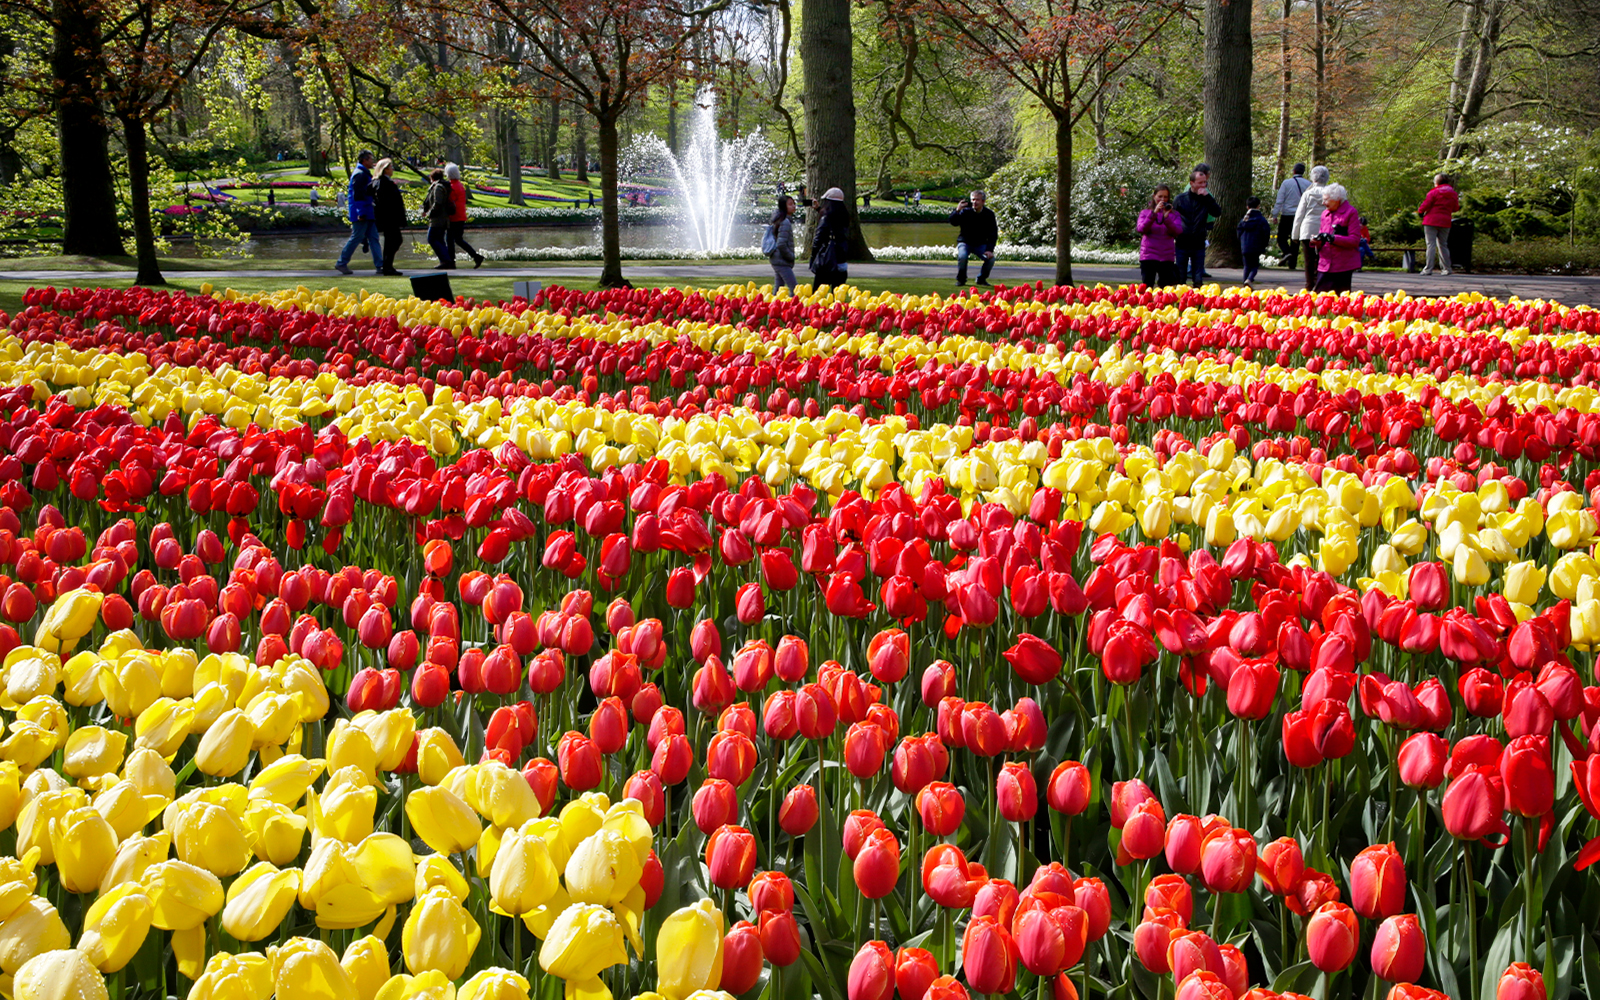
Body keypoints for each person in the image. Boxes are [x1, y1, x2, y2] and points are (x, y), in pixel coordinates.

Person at [333, 150, 380, 275]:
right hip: (362, 212)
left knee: (374, 238)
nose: (372, 161)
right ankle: (341, 262)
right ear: (364, 160)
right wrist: (361, 212)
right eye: (370, 159)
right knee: (357, 237)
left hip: (367, 211)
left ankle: (380, 265)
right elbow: (357, 195)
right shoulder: (360, 175)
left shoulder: (363, 173)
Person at [1173, 167, 1220, 286]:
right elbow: (1172, 217)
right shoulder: (1180, 199)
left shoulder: (1206, 199)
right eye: (1200, 182)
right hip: (1182, 242)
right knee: (1181, 277)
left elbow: (1217, 212)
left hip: (1198, 242)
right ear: (1192, 183)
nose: (1203, 185)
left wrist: (1208, 197)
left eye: (1205, 182)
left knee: (1198, 278)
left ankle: (1197, 302)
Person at [1312, 183, 1362, 293]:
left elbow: (1354, 240)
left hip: (1343, 265)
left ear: (1337, 200)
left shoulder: (1350, 212)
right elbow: (1322, 235)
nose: (1323, 203)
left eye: (1326, 200)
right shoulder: (1325, 214)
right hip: (1325, 264)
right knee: (1319, 298)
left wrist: (1333, 238)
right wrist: (1316, 241)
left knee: (1340, 302)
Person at [1291, 165, 1333, 292]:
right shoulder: (1330, 194)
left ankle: (1309, 284)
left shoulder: (1307, 194)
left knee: (1309, 259)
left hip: (1307, 229)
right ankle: (1321, 283)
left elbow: (1299, 215)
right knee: (1323, 258)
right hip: (1325, 229)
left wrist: (1295, 235)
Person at [1135, 184, 1183, 288]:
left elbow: (1177, 231)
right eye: (1160, 196)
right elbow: (1141, 229)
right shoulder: (1145, 213)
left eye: (1165, 197)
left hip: (1166, 256)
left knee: (1165, 289)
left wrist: (1167, 218)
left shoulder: (1174, 214)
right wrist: (1154, 214)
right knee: (1147, 287)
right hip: (1149, 255)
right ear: (1154, 196)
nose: (1162, 199)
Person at [948, 189, 999, 287]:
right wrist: (957, 210)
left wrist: (989, 250)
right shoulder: (965, 212)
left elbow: (993, 234)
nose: (974, 202)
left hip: (981, 245)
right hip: (965, 242)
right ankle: (961, 280)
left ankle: (981, 279)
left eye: (977, 200)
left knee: (990, 259)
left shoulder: (989, 214)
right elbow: (953, 222)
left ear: (983, 202)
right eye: (973, 200)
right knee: (962, 256)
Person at [1418, 172, 1460, 275]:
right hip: (1445, 221)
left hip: (1431, 221)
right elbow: (1455, 208)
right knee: (1443, 245)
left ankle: (1428, 269)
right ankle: (1447, 269)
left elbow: (1426, 204)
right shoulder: (1453, 193)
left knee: (1431, 245)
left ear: (1436, 182)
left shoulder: (1433, 192)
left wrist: (1420, 211)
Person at [444, 163, 484, 268]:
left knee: (450, 240)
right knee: (457, 239)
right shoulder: (460, 185)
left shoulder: (452, 187)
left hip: (454, 216)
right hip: (461, 215)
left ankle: (452, 262)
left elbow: (450, 202)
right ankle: (475, 256)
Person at [809, 187, 849, 289]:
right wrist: (818, 209)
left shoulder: (826, 217)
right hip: (841, 261)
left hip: (827, 262)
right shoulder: (844, 216)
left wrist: (813, 258)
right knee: (837, 298)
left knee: (818, 296)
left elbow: (818, 239)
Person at [372, 158, 406, 276]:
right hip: (389, 217)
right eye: (391, 167)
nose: (392, 169)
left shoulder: (381, 182)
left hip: (389, 217)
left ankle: (388, 265)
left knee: (392, 241)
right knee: (394, 240)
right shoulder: (383, 183)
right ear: (385, 169)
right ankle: (387, 266)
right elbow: (386, 201)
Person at [1272, 163, 1310, 267]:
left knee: (1281, 238)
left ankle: (1287, 252)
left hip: (1287, 214)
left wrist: (1275, 214)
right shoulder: (1308, 184)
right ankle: (1292, 264)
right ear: (1303, 172)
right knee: (1295, 239)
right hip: (1301, 215)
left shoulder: (1286, 183)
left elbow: (1280, 200)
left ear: (1294, 171)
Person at [421, 168, 454, 268]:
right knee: (439, 240)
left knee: (431, 238)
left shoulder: (438, 187)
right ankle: (446, 261)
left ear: (432, 178)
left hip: (438, 219)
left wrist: (429, 213)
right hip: (441, 218)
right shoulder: (441, 186)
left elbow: (438, 203)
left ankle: (446, 260)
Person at [1237, 196, 1272, 286]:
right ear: (1258, 206)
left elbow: (1239, 232)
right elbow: (1266, 233)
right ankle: (1249, 279)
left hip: (1245, 246)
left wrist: (1241, 242)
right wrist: (1264, 244)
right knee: (1255, 265)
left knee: (1246, 266)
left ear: (1247, 207)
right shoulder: (1261, 220)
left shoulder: (1244, 221)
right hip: (1256, 246)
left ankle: (1245, 283)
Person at [766, 195, 798, 294]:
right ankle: (795, 308)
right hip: (781, 260)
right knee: (795, 289)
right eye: (790, 204)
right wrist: (790, 256)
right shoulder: (785, 222)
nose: (794, 206)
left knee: (778, 288)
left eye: (794, 203)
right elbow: (781, 244)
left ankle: (772, 307)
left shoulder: (778, 219)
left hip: (777, 259)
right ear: (783, 206)